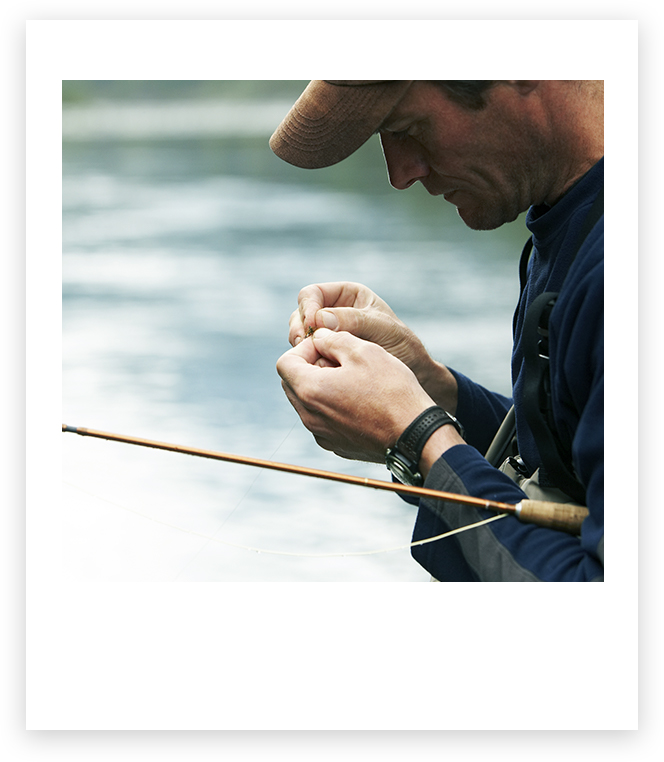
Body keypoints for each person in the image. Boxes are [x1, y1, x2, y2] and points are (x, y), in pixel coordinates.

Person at [270, 80, 604, 581]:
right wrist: (431, 390)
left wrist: (418, 436)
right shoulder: (572, 218)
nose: (401, 174)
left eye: (406, 129)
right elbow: (573, 459)